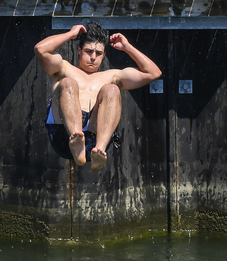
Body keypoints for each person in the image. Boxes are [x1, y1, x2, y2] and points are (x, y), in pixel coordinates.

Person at [34, 22, 160, 172]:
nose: (93, 57)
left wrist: (127, 47)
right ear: (79, 50)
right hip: (63, 137)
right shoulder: (64, 69)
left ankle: (99, 152)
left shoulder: (112, 76)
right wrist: (70, 34)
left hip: (95, 141)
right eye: (88, 51)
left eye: (98, 53)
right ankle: (76, 139)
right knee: (68, 83)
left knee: (112, 89)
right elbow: (40, 50)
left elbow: (153, 73)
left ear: (104, 54)